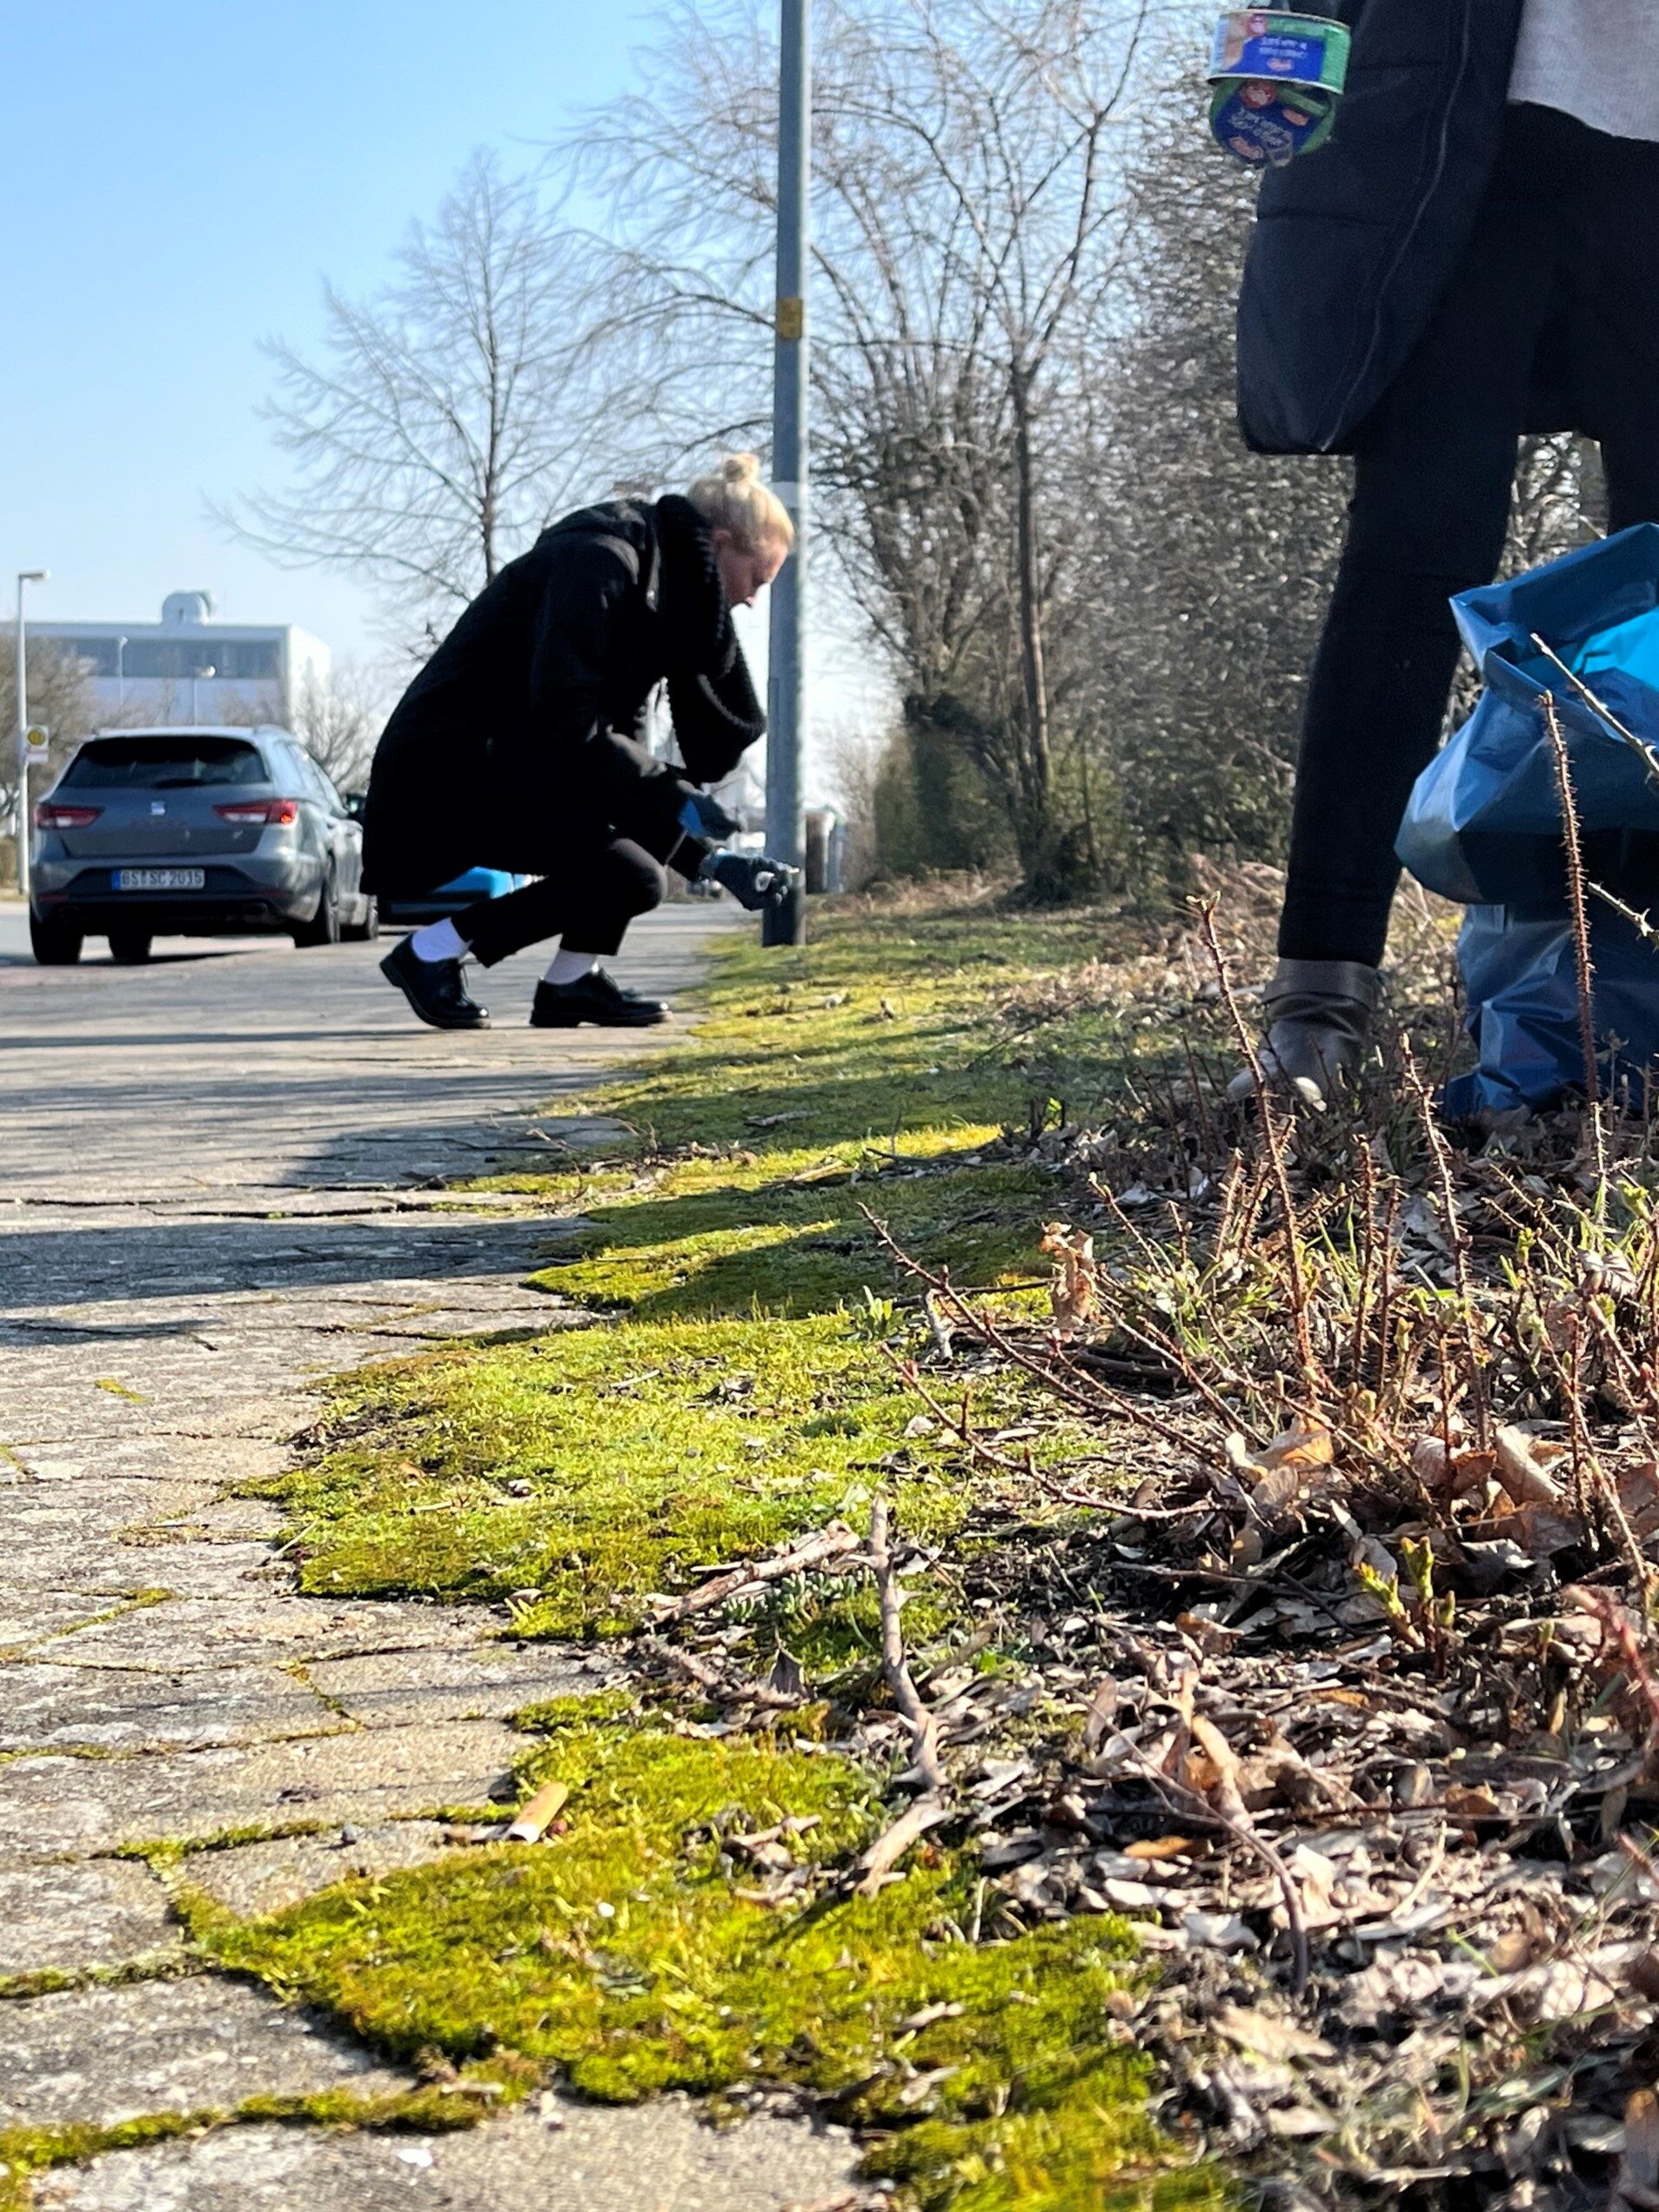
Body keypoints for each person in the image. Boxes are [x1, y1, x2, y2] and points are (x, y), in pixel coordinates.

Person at [1234, 0, 1659, 1101]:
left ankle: (1635, 991)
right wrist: (1275, 46)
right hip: (1468, 142)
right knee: (1407, 566)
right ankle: (1314, 1008)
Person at [363, 453, 795, 1031]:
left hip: (514, 762)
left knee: (634, 868)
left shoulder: (657, 596)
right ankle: (429, 953)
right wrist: (685, 820)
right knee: (629, 873)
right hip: (447, 772)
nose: (750, 601)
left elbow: (615, 764)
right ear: (718, 545)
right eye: (756, 580)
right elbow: (570, 724)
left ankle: (570, 985)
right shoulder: (598, 563)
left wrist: (712, 861)